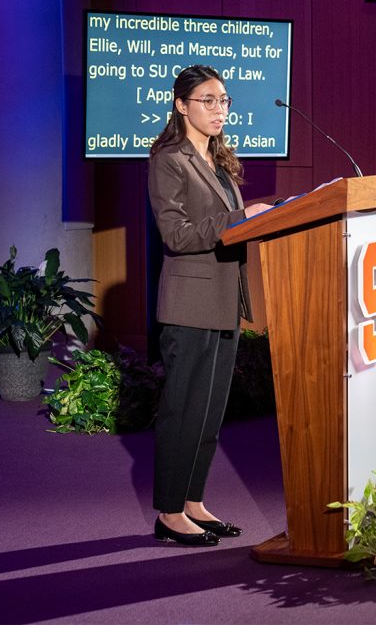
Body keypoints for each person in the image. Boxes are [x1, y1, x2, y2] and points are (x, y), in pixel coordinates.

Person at [147, 65, 272, 546]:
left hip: (223, 301)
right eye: (208, 100)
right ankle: (169, 512)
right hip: (188, 302)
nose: (220, 109)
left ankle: (193, 502)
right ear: (182, 105)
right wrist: (242, 218)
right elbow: (175, 235)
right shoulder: (169, 159)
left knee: (209, 412)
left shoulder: (219, 161)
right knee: (183, 411)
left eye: (224, 100)